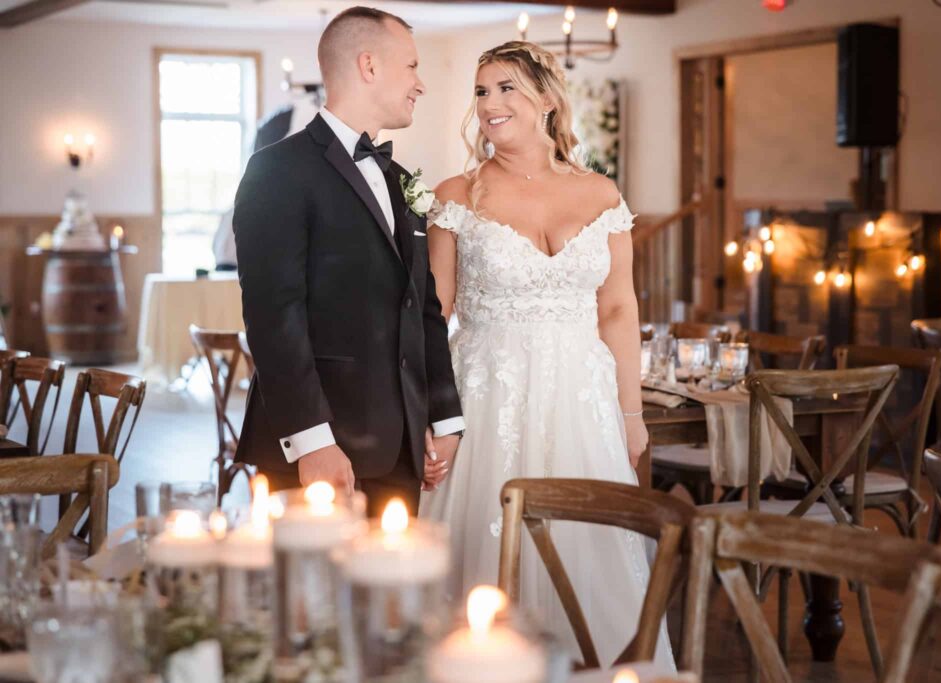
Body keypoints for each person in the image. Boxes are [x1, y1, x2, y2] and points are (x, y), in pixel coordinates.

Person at [419, 41, 673, 668]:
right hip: (485, 398)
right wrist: (431, 412)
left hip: (582, 404)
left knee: (588, 549)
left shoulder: (602, 195)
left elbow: (617, 309)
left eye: (505, 88)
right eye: (481, 92)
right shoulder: (457, 194)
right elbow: (433, 315)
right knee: (482, 559)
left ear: (547, 99)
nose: (490, 105)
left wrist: (631, 412)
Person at [232, 6, 463, 517]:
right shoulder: (277, 170)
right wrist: (313, 442)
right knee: (308, 596)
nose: (420, 84)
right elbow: (274, 318)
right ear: (369, 65)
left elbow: (424, 307)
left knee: (390, 595)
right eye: (411, 66)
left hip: (402, 448)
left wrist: (444, 418)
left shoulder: (403, 180)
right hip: (317, 446)